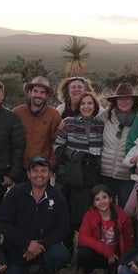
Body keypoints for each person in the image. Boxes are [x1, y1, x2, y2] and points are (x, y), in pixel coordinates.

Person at [0, 156, 71, 274]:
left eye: (43, 170)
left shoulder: (57, 197)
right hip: (18, 249)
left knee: (61, 254)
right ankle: (20, 273)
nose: (39, 175)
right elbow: (3, 223)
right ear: (28, 174)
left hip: (44, 248)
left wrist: (40, 245)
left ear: (50, 174)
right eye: (35, 171)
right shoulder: (15, 193)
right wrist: (26, 244)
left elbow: (63, 227)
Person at [53, 90, 105, 233]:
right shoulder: (69, 123)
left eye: (90, 103)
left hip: (92, 176)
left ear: (95, 106)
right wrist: (76, 155)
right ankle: (69, 247)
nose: (86, 106)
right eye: (83, 103)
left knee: (90, 213)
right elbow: (57, 147)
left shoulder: (100, 125)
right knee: (69, 213)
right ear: (79, 106)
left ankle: (87, 245)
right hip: (72, 176)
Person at [77, 184, 134, 274]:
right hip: (99, 254)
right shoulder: (90, 215)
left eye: (104, 197)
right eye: (97, 199)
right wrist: (105, 250)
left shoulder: (121, 216)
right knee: (83, 252)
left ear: (111, 199)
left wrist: (126, 261)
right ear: (93, 203)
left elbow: (129, 239)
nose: (102, 201)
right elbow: (82, 238)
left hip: (115, 257)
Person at [98, 83, 138, 210]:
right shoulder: (106, 116)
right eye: (120, 98)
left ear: (133, 100)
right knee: (107, 211)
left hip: (127, 175)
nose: (123, 101)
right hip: (106, 174)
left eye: (127, 98)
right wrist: (66, 120)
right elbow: (87, 117)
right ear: (115, 100)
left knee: (126, 212)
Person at [13, 76, 62, 172]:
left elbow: (56, 142)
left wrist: (50, 165)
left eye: (42, 92)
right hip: (20, 167)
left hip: (42, 168)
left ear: (47, 95)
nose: (38, 95)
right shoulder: (18, 112)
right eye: (35, 91)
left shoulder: (54, 115)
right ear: (29, 93)